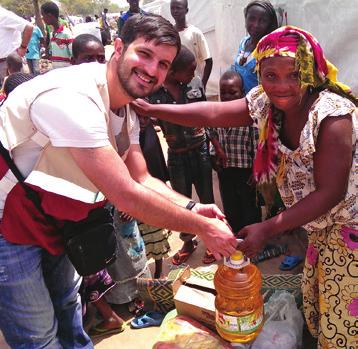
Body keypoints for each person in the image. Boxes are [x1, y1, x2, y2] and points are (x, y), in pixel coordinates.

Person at [0, 14, 236, 348]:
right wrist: (202, 227)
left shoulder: (123, 106)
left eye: (164, 64)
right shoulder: (73, 98)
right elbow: (126, 195)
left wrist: (195, 207)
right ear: (120, 48)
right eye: (145, 54)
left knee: (69, 308)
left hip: (56, 220)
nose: (153, 70)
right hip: (9, 225)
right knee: (38, 334)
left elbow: (139, 177)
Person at [132, 25, 358, 349]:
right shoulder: (267, 103)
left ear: (311, 70)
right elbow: (212, 112)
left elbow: (331, 192)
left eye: (294, 74)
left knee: (343, 316)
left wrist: (268, 228)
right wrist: (154, 110)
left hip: (349, 229)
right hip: (322, 226)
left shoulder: (331, 116)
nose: (281, 86)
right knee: (321, 299)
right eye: (270, 75)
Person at [71, 34, 124, 338]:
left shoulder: (111, 99)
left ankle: (113, 307)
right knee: (89, 261)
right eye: (85, 59)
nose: (92, 65)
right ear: (73, 61)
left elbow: (125, 151)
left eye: (97, 59)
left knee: (106, 252)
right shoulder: (73, 99)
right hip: (81, 200)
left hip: (102, 196)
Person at [148, 46, 216, 265]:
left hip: (200, 151)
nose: (194, 75)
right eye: (189, 71)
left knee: (207, 199)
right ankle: (188, 241)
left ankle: (211, 242)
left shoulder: (195, 84)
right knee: (182, 203)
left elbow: (207, 116)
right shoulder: (155, 92)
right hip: (176, 156)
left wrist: (216, 146)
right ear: (172, 72)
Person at [210, 71, 261, 234]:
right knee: (230, 205)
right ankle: (236, 235)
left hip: (246, 171)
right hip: (225, 170)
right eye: (223, 92)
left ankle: (252, 237)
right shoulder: (217, 114)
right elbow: (211, 133)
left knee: (249, 207)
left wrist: (256, 171)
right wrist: (215, 153)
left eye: (233, 93)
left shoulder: (249, 117)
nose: (227, 97)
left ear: (243, 93)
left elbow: (258, 145)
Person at [138, 115, 171, 278]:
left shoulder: (150, 139)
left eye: (145, 118)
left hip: (153, 196)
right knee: (138, 239)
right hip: (132, 199)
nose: (142, 122)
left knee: (157, 233)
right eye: (138, 118)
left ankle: (159, 270)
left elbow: (159, 172)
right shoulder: (123, 141)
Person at [232, 0, 278, 95]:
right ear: (245, 19)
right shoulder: (244, 42)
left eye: (263, 21)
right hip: (240, 102)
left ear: (269, 24)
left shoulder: (269, 51)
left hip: (258, 106)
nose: (256, 25)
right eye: (252, 18)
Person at [170, 0, 213, 90]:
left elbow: (208, 61)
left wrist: (202, 84)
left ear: (186, 10)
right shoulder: (170, 33)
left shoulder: (195, 33)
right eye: (172, 8)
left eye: (178, 8)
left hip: (194, 84)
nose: (175, 11)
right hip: (175, 85)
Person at [0, 6, 33, 84]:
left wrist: (23, 47)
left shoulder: (3, 15)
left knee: (17, 90)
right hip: (3, 64)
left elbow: (28, 27)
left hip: (10, 63)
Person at [41, 1, 73, 69]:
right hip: (56, 72)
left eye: (43, 15)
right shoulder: (52, 34)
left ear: (49, 15)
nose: (42, 18)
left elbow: (73, 56)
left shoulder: (66, 34)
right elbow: (54, 55)